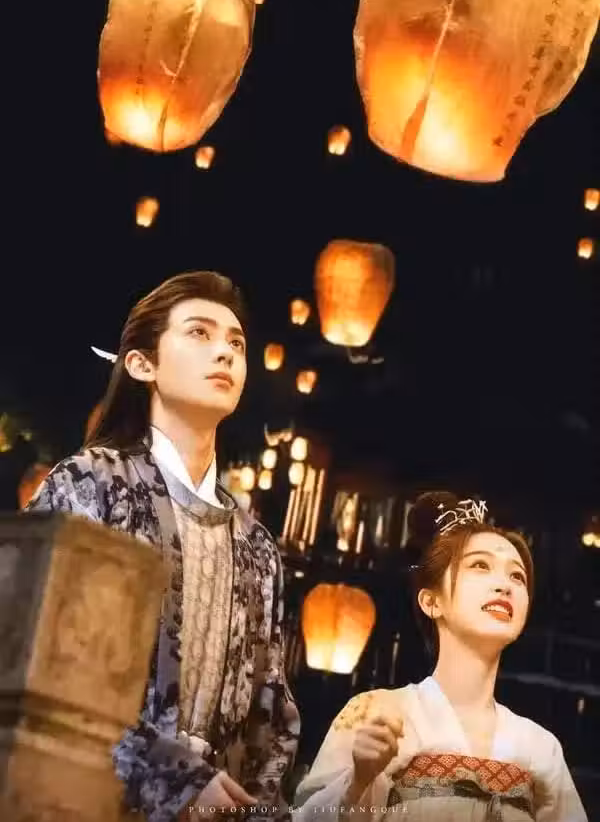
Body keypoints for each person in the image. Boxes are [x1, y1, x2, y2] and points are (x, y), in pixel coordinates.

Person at [26, 271, 300, 822]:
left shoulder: (257, 546)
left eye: (236, 342)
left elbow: (272, 714)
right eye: (199, 333)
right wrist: (176, 782)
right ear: (141, 364)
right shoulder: (91, 485)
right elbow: (46, 663)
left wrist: (254, 805)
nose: (224, 351)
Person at [294, 490, 587, 821]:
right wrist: (359, 779)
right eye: (480, 565)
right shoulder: (375, 713)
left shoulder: (541, 749)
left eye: (517, 576)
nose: (505, 586)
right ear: (431, 601)